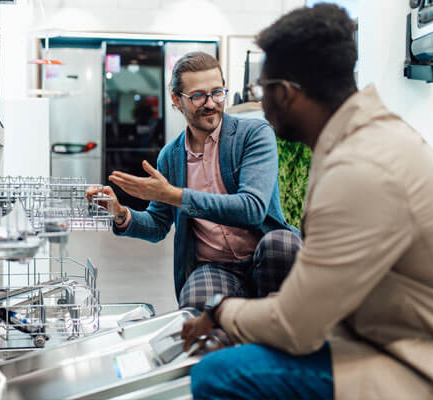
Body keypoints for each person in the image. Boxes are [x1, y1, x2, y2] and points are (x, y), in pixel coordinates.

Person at [182, 4, 433, 400]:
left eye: (259, 91)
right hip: (379, 330)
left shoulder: (358, 169)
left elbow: (295, 326)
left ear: (284, 95)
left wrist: (220, 311)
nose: (257, 103)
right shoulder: (366, 136)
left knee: (217, 374)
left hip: (415, 363)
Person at [87, 51, 299, 310]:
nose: (210, 103)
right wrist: (121, 214)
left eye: (217, 92)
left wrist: (173, 195)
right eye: (198, 96)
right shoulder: (171, 156)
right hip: (216, 266)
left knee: (283, 245)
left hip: (265, 255)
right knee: (195, 304)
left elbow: (252, 209)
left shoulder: (253, 135)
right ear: (176, 99)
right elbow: (158, 224)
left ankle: (275, 339)